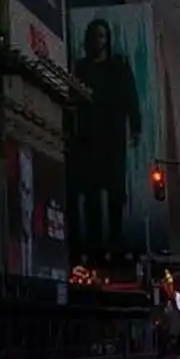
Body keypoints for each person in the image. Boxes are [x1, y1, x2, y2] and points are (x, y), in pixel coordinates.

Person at [70, 17, 142, 257]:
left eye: (101, 36)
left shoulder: (118, 67)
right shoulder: (80, 67)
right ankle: (94, 246)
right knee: (91, 193)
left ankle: (116, 243)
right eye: (94, 35)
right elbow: (71, 100)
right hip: (89, 138)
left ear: (107, 39)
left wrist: (136, 128)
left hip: (113, 137)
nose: (97, 40)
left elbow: (131, 98)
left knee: (115, 194)